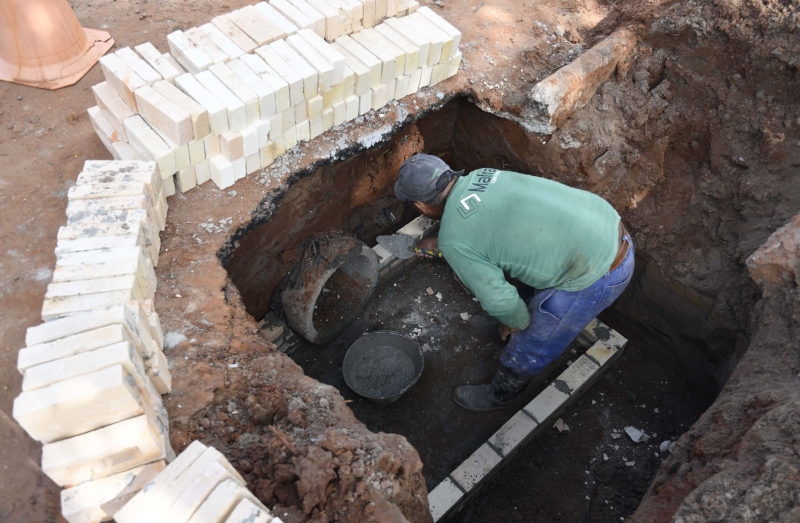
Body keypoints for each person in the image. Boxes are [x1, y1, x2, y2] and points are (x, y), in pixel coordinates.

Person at [394, 154, 634, 411]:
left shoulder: (457, 241)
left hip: (596, 274)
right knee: (522, 286)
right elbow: (493, 222)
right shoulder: (483, 174)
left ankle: (501, 394)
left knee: (531, 340)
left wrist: (514, 322)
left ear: (420, 206)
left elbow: (500, 299)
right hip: (607, 227)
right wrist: (449, 242)